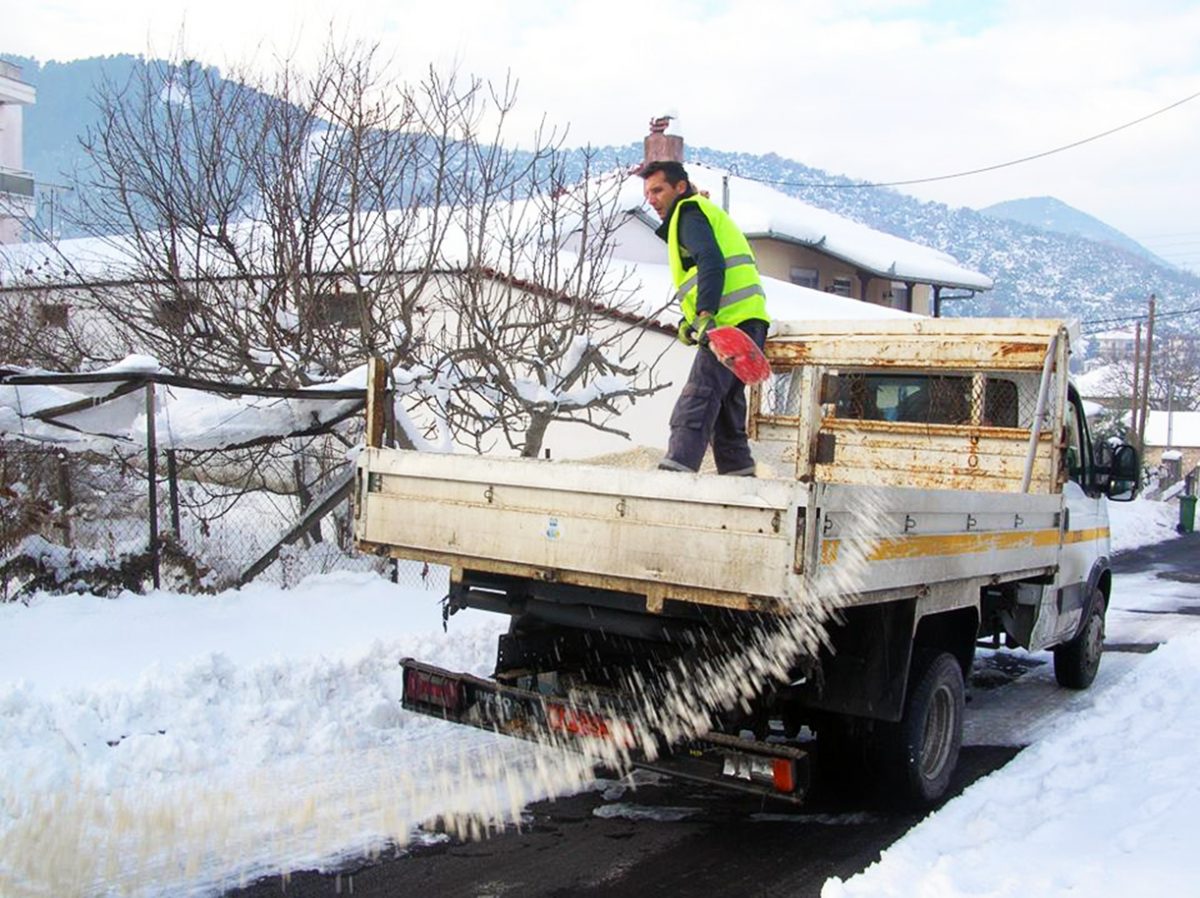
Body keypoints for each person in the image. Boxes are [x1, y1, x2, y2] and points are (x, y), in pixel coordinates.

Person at [640, 160, 770, 475]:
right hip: (749, 319)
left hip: (728, 323)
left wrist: (705, 315)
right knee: (725, 405)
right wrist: (690, 324)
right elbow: (708, 269)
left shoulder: (688, 213)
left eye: (658, 190)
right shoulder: (702, 214)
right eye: (647, 193)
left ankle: (677, 469)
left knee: (700, 394)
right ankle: (738, 473)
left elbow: (711, 261)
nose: (652, 199)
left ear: (680, 188)